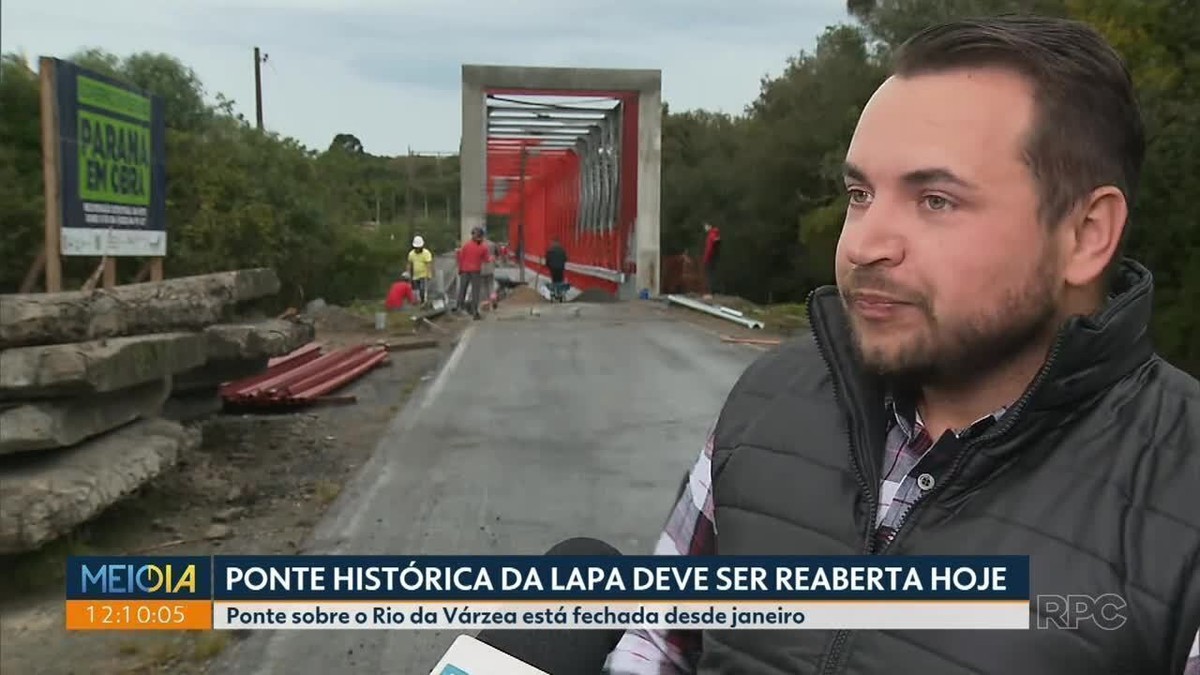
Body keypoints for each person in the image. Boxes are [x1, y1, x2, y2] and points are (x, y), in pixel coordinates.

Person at [606, 15, 1200, 675]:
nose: (863, 243)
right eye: (860, 194)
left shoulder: (1181, 487)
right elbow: (655, 642)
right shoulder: (770, 402)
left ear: (1086, 233)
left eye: (936, 200)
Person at [455, 226, 491, 320]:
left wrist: (460, 269)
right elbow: (486, 260)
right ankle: (475, 311)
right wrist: (492, 258)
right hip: (475, 271)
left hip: (465, 270)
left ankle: (459, 307)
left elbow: (461, 257)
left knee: (463, 289)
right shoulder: (483, 247)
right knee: (475, 291)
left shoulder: (466, 245)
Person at [407, 235, 434, 305]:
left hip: (423, 275)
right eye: (416, 248)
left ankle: (423, 302)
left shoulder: (426, 253)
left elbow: (428, 264)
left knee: (422, 289)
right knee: (415, 290)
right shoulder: (411, 254)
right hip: (415, 275)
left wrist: (429, 274)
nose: (417, 249)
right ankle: (416, 302)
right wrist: (408, 273)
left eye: (419, 247)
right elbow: (409, 264)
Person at [701, 223, 720, 301]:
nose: (705, 228)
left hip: (710, 258)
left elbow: (709, 248)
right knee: (712, 274)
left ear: (709, 226)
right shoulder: (716, 234)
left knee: (709, 274)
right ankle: (712, 292)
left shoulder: (711, 235)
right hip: (714, 258)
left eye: (705, 226)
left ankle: (710, 293)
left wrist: (706, 258)